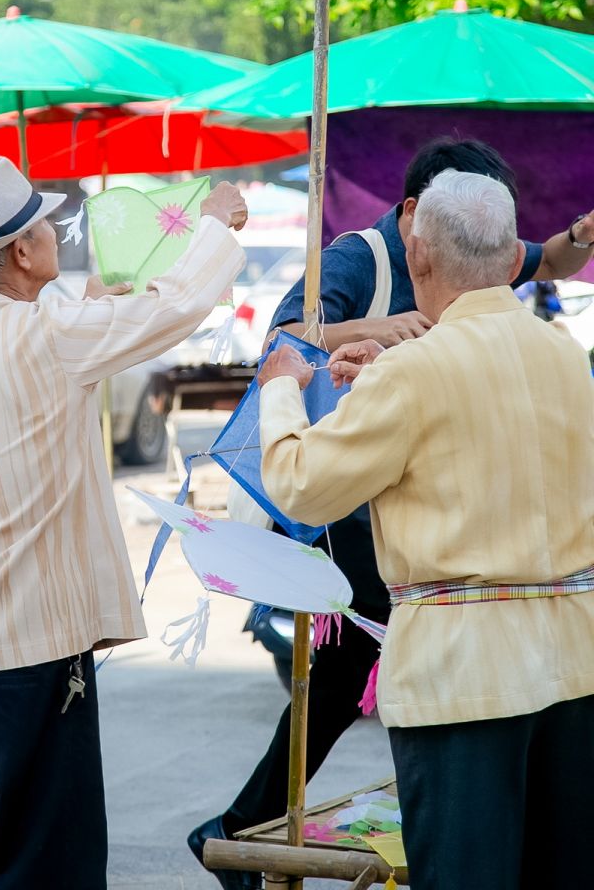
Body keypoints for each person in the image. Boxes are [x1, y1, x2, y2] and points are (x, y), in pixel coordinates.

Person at [188, 137, 594, 890]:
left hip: (463, 678)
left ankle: (241, 818)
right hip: (575, 666)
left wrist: (281, 389)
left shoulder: (412, 371)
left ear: (420, 256)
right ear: (514, 260)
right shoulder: (566, 355)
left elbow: (300, 485)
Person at [0, 156, 248, 890]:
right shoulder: (54, 333)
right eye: (47, 228)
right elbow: (175, 307)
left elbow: (26, 346)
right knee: (48, 868)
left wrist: (87, 309)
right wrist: (214, 226)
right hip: (30, 651)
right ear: (23, 253)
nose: (58, 236)